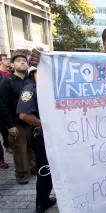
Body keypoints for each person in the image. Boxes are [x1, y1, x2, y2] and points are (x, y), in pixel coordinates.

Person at [30, 26, 106, 209]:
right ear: (103, 43)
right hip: (101, 131)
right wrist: (43, 61)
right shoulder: (91, 65)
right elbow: (62, 74)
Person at [17, 66, 56, 213]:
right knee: (45, 170)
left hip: (53, 136)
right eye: (40, 72)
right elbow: (24, 115)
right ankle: (42, 202)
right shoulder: (30, 90)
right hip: (40, 137)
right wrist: (46, 124)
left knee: (52, 169)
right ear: (33, 73)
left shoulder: (49, 88)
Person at [0, 52, 36, 184]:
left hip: (31, 121)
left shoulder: (30, 80)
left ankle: (33, 168)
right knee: (20, 150)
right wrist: (10, 125)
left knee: (32, 148)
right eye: (19, 60)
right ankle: (21, 174)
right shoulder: (6, 82)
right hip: (16, 122)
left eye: (24, 60)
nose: (22, 62)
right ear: (12, 64)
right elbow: (3, 105)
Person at [0, 54, 12, 156]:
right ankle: (7, 145)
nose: (8, 60)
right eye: (5, 59)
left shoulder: (10, 74)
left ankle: (8, 144)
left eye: (8, 58)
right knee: (3, 127)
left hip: (9, 104)